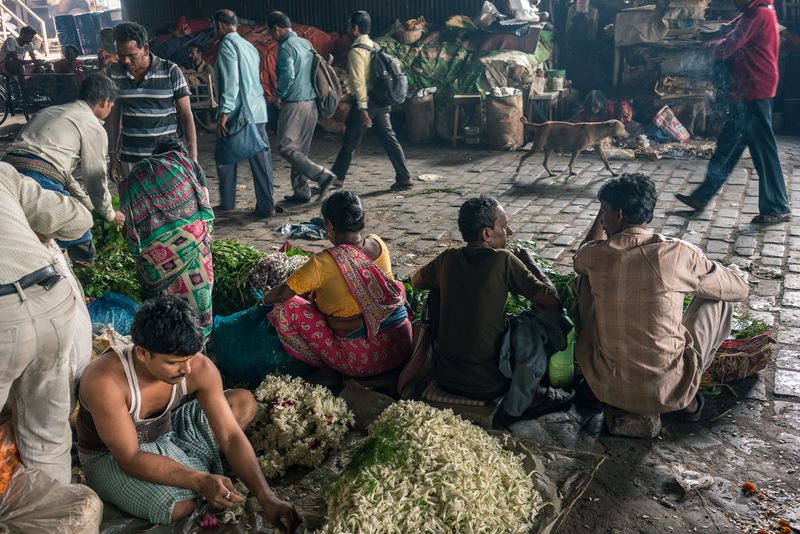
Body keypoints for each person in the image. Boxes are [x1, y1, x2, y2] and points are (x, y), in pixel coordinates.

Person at [76, 296, 300, 530]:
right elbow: (130, 458)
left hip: (167, 432)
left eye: (190, 358)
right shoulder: (105, 381)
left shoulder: (196, 366)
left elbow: (231, 436)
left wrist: (266, 497)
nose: (186, 369)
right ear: (142, 353)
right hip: (111, 456)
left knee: (242, 402)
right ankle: (198, 467)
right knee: (178, 506)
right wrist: (201, 481)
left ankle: (191, 466)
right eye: (174, 363)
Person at [574, 173, 749, 420]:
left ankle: (607, 383)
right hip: (668, 392)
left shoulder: (595, 256)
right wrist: (728, 272)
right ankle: (686, 396)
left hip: (604, 386)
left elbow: (581, 254)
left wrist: (603, 220)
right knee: (719, 296)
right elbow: (740, 290)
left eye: (604, 211)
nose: (602, 220)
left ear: (620, 214)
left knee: (583, 282)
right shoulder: (678, 252)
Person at [409, 196, 570, 416]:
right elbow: (554, 302)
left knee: (437, 291)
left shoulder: (448, 258)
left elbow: (417, 281)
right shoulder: (503, 260)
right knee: (549, 320)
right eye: (503, 226)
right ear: (486, 234)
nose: (509, 232)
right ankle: (527, 392)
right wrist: (530, 262)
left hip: (443, 376)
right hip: (487, 385)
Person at [0, 162, 94, 484]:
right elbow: (79, 218)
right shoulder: (2, 174)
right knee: (48, 439)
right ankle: (53, 516)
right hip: (51, 301)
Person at [264, 190, 412, 381]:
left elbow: (281, 294)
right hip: (401, 346)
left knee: (285, 307)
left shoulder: (322, 263)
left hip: (362, 360)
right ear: (361, 218)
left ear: (330, 226)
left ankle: (325, 367)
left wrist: (266, 296)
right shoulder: (378, 244)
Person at [675, 0, 790, 224]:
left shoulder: (759, 13)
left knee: (764, 151)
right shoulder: (754, 10)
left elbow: (729, 46)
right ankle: (702, 196)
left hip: (755, 89)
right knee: (728, 146)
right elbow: (732, 26)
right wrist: (718, 32)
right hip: (747, 89)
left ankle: (777, 207)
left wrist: (715, 45)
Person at [4, 73, 123, 266]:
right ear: (104, 101)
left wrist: (88, 204)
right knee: (80, 232)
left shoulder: (50, 111)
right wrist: (109, 213)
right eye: (112, 104)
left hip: (6, 170)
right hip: (37, 177)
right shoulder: (93, 126)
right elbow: (95, 179)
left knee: (27, 225)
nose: (111, 109)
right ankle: (82, 272)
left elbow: (63, 175)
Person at [118, 136, 214, 336]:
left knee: (165, 316)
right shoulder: (189, 165)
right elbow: (205, 205)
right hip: (194, 246)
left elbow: (127, 228)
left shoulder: (137, 175)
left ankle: (166, 349)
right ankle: (200, 343)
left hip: (156, 260)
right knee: (199, 304)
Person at [330, 11, 414, 191]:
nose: (347, 29)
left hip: (367, 101)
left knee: (350, 139)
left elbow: (359, 82)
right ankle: (404, 176)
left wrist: (362, 108)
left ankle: (337, 178)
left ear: (355, 28)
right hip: (381, 99)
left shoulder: (356, 51)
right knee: (389, 139)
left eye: (349, 26)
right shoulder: (374, 45)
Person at [107, 22, 196, 182]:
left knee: (169, 205)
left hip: (167, 160)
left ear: (146, 49)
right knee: (135, 207)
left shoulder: (170, 71)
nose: (126, 61)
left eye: (131, 55)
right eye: (121, 55)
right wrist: (113, 156)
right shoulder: (114, 73)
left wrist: (193, 157)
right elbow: (113, 118)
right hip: (131, 160)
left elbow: (186, 116)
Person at [213, 9, 277, 218]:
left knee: (225, 156)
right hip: (257, 111)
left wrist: (224, 112)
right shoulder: (249, 46)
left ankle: (228, 202)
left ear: (219, 25)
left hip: (238, 113)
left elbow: (231, 82)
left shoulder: (227, 46)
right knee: (261, 160)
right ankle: (267, 205)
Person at [267, 11, 336, 204]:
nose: (272, 37)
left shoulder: (286, 46)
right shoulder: (306, 43)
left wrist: (279, 95)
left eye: (271, 33)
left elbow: (288, 74)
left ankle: (322, 176)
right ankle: (302, 191)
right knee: (301, 150)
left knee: (286, 147)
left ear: (276, 28)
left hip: (295, 104)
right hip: (312, 104)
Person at [185, 45, 216, 110]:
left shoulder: (207, 67)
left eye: (192, 53)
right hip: (194, 95)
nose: (190, 56)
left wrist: (197, 74)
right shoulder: (189, 65)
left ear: (199, 54)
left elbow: (213, 85)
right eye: (189, 53)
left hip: (205, 95)